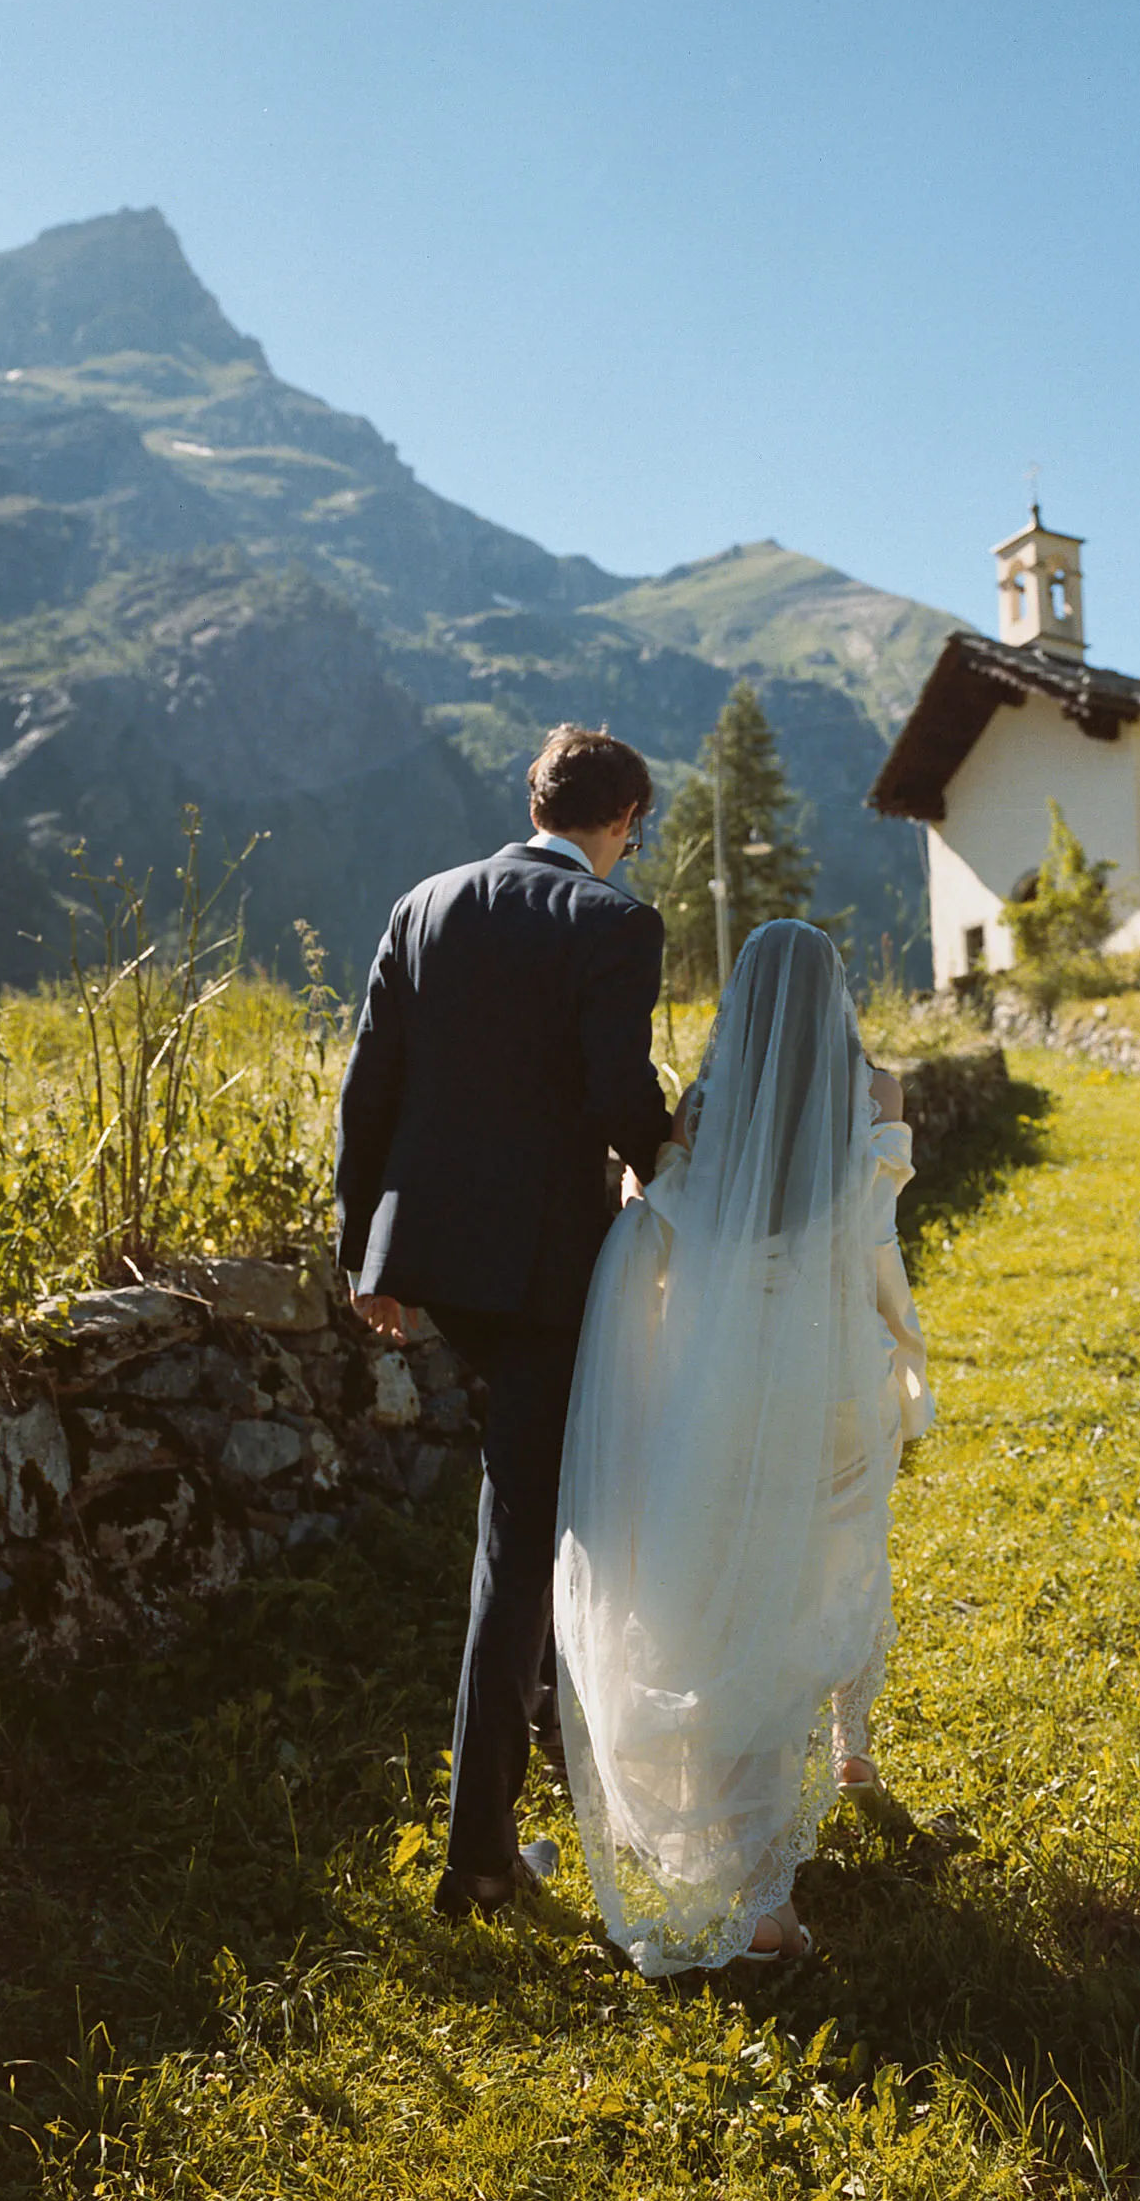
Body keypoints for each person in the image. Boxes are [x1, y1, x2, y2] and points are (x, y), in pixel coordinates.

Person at [335, 723, 674, 1920]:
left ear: (535, 801)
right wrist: (680, 1170)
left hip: (436, 1260)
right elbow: (613, 1089)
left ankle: (549, 1738)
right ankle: (478, 1860)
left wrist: (361, 1253)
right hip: (541, 1274)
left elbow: (369, 1086)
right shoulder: (615, 924)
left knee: (537, 1510)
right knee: (518, 1545)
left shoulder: (423, 903)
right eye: (641, 825)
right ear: (624, 815)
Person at [553, 919, 933, 1973]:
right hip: (832, 1379)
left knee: (742, 1594)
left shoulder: (706, 1110)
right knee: (837, 1556)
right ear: (835, 995)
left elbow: (667, 1231)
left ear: (741, 1002)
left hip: (725, 1384)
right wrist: (905, 1354)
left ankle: (762, 1879)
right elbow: (874, 1243)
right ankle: (844, 1765)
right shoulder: (877, 1096)